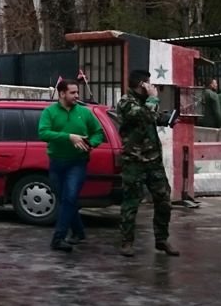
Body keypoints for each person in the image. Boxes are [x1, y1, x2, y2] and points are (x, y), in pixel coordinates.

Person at [116, 69, 179, 257]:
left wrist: (166, 119)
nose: (152, 86)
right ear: (142, 84)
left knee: (163, 201)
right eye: (149, 83)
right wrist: (153, 98)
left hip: (153, 161)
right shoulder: (126, 102)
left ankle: (161, 240)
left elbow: (151, 118)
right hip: (134, 161)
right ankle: (127, 242)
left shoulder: (146, 102)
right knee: (131, 203)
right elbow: (141, 116)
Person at [37, 79, 105, 252]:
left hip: (78, 163)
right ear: (61, 94)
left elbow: (98, 133)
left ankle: (58, 238)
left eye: (77, 92)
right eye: (73, 93)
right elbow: (43, 133)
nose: (77, 95)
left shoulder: (85, 113)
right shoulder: (49, 112)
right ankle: (79, 231)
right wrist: (69, 137)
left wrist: (91, 144)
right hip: (56, 163)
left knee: (69, 198)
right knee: (65, 199)